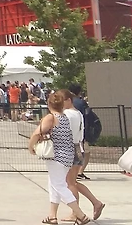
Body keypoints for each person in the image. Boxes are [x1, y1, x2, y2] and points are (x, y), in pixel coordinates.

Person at [28, 90, 91, 225]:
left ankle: (80, 214)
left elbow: (36, 133)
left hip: (56, 157)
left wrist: (31, 146)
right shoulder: (64, 117)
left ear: (49, 104)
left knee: (59, 186)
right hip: (67, 156)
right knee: (54, 185)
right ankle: (52, 216)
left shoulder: (51, 117)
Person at [63, 90, 105, 219]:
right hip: (78, 147)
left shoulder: (67, 114)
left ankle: (76, 212)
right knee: (73, 182)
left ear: (68, 100)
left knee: (70, 183)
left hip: (70, 148)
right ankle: (95, 202)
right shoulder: (78, 113)